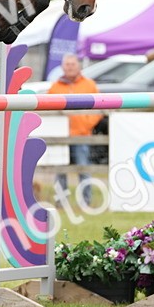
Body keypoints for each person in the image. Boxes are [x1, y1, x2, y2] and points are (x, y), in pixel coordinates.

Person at [47, 53, 103, 203]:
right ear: (62, 67)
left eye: (72, 64)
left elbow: (98, 109)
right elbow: (48, 110)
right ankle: (61, 200)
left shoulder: (89, 85)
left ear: (78, 66)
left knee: (84, 168)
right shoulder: (55, 87)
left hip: (82, 134)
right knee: (60, 170)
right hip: (61, 136)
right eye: (67, 64)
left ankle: (86, 200)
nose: (70, 67)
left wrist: (86, 123)